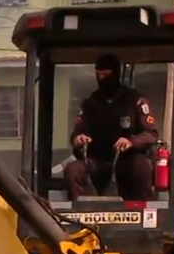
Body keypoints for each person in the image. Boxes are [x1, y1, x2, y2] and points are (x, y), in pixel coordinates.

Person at [64, 53, 160, 201]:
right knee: (72, 170)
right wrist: (78, 139)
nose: (101, 79)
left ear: (115, 75)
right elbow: (77, 132)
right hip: (97, 160)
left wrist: (131, 142)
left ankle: (140, 211)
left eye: (106, 75)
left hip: (126, 159)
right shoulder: (91, 103)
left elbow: (151, 134)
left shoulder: (135, 100)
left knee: (142, 167)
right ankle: (79, 213)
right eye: (98, 75)